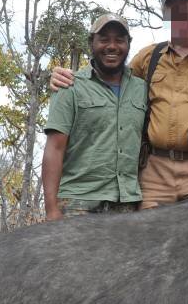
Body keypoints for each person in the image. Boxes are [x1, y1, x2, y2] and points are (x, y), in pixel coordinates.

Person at [50, 0, 188, 209]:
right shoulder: (149, 57)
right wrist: (66, 77)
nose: (180, 16)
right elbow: (109, 80)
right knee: (147, 239)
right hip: (154, 172)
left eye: (187, 8)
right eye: (173, 11)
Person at [42, 13, 146, 220]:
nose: (112, 46)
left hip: (126, 204)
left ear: (128, 44)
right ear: (91, 42)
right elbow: (55, 147)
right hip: (77, 203)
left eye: (119, 40)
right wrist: (51, 209)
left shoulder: (141, 88)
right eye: (104, 39)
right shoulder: (69, 86)